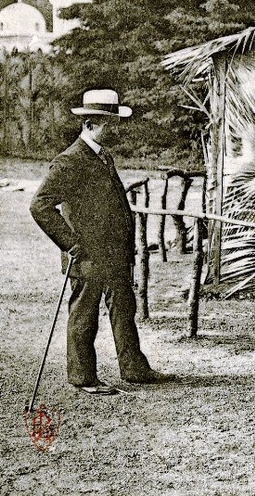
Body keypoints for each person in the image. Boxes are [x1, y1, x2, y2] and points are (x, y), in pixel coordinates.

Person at [30, 88, 172, 395]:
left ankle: (134, 369)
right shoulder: (68, 161)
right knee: (85, 314)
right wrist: (71, 244)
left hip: (114, 253)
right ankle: (83, 377)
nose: (117, 129)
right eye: (111, 123)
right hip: (87, 256)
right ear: (91, 123)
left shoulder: (103, 155)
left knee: (124, 308)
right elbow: (39, 206)